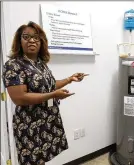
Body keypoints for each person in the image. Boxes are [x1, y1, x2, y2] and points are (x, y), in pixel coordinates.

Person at [2, 21, 89, 165]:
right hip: (29, 123)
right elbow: (20, 98)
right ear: (19, 41)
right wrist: (53, 95)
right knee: (33, 161)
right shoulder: (13, 65)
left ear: (41, 42)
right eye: (26, 37)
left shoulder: (40, 63)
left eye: (36, 37)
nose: (31, 40)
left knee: (43, 159)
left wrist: (70, 79)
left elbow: (49, 85)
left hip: (48, 119)